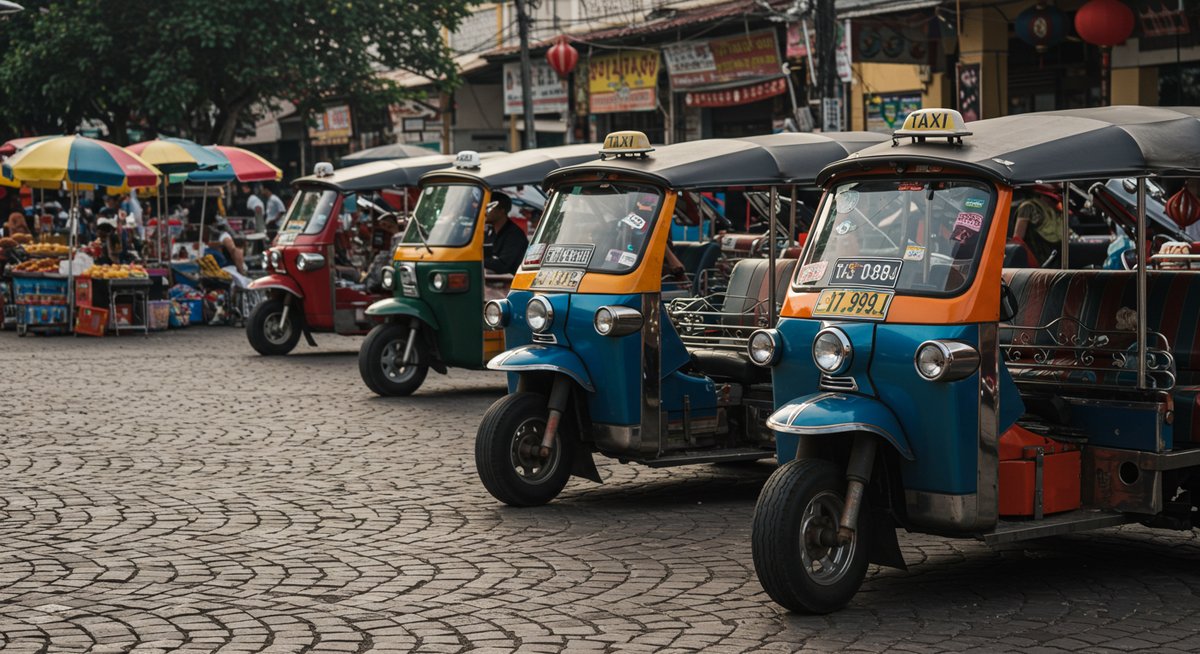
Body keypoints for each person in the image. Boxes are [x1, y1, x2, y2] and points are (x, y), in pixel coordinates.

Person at [482, 192, 527, 275]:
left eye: (489, 208)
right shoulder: (488, 232)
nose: (485, 212)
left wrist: (478, 260)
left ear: (501, 211)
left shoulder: (514, 235)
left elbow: (503, 265)